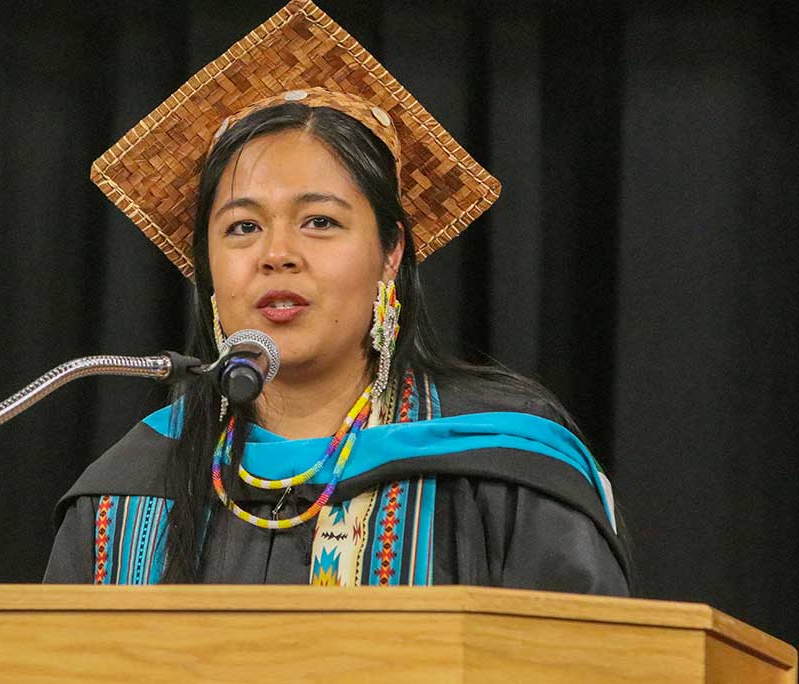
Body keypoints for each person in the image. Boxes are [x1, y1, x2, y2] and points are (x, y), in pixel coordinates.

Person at [44, 0, 630, 593]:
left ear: (391, 252)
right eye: (242, 228)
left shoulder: (507, 462)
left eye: (320, 222)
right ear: (208, 267)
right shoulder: (125, 490)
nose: (278, 253)